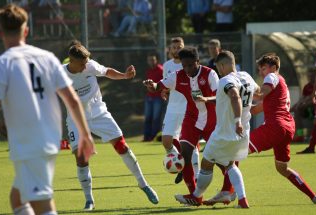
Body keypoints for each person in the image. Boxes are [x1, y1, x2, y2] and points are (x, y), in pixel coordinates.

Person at [0, 4, 95, 215]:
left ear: (0, 32)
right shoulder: (47, 58)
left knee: (44, 206)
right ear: (26, 31)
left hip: (28, 143)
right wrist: (85, 134)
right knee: (18, 199)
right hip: (47, 139)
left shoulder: (0, 64)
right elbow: (73, 101)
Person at [64, 44, 159, 210]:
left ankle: (144, 184)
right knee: (81, 158)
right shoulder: (59, 74)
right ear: (72, 61)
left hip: (99, 114)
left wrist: (124, 75)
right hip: (76, 119)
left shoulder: (90, 65)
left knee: (122, 145)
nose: (86, 66)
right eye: (82, 64)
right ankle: (89, 200)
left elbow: (107, 71)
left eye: (87, 62)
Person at [174, 50, 258, 208]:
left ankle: (196, 196)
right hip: (243, 133)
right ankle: (240, 199)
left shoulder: (226, 80)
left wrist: (237, 120)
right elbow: (258, 93)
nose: (218, 70)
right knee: (230, 164)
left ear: (224, 65)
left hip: (225, 131)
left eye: (218, 66)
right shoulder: (247, 76)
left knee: (206, 163)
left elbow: (234, 96)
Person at [249, 54, 316, 205]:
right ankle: (314, 197)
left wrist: (242, 87)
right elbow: (254, 109)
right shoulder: (279, 85)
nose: (261, 73)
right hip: (287, 128)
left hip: (275, 127)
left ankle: (231, 193)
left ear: (273, 68)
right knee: (282, 168)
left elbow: (258, 96)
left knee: (234, 152)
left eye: (263, 68)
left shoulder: (272, 77)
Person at [143, 47, 219, 198]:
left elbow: (221, 97)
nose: (187, 69)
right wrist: (153, 86)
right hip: (190, 119)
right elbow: (159, 86)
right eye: (184, 66)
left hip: (211, 119)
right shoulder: (177, 75)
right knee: (184, 154)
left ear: (197, 61)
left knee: (221, 158)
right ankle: (194, 195)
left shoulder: (210, 74)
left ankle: (230, 190)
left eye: (190, 65)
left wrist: (206, 99)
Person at [161, 37, 200, 184]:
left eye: (179, 47)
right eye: (174, 47)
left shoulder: (188, 65)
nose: (177, 49)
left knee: (190, 142)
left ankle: (196, 174)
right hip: (172, 108)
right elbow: (167, 84)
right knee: (166, 141)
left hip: (187, 108)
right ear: (170, 49)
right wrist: (164, 91)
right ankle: (181, 164)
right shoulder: (167, 65)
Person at [143, 52, 164, 142]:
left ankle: (154, 137)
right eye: (149, 60)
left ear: (156, 60)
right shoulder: (148, 71)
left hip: (158, 98)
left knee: (156, 118)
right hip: (149, 97)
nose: (151, 61)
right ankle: (146, 137)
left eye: (153, 59)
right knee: (148, 118)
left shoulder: (161, 70)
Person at [290, 71, 315, 142]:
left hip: (315, 108)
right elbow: (302, 98)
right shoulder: (307, 87)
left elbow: (315, 99)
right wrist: (297, 105)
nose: (310, 78)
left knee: (300, 107)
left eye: (312, 76)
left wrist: (304, 104)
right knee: (296, 112)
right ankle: (300, 135)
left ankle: (311, 136)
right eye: (309, 76)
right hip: (306, 108)